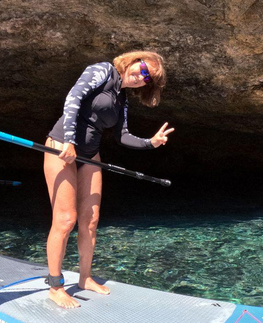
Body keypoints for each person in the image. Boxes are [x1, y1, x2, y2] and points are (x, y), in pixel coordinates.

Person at [44, 51, 174, 309]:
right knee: (65, 219)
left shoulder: (122, 99)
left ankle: (85, 278)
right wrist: (69, 140)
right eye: (143, 69)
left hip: (90, 156)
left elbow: (122, 135)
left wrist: (151, 143)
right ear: (135, 60)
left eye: (147, 78)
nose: (140, 77)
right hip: (62, 147)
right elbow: (73, 98)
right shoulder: (102, 70)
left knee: (90, 221)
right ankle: (55, 286)